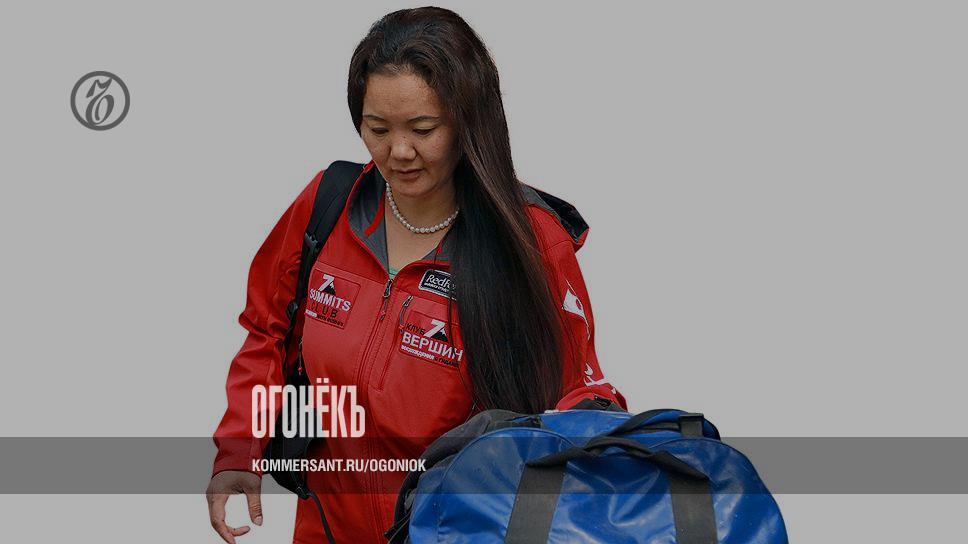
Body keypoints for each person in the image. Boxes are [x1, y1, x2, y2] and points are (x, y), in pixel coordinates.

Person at [206, 6, 625, 544]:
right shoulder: (328, 205)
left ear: (469, 122)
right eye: (377, 129)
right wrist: (240, 449)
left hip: (459, 530)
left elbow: (577, 396)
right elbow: (267, 329)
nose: (398, 151)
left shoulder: (532, 239)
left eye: (423, 129)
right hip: (327, 528)